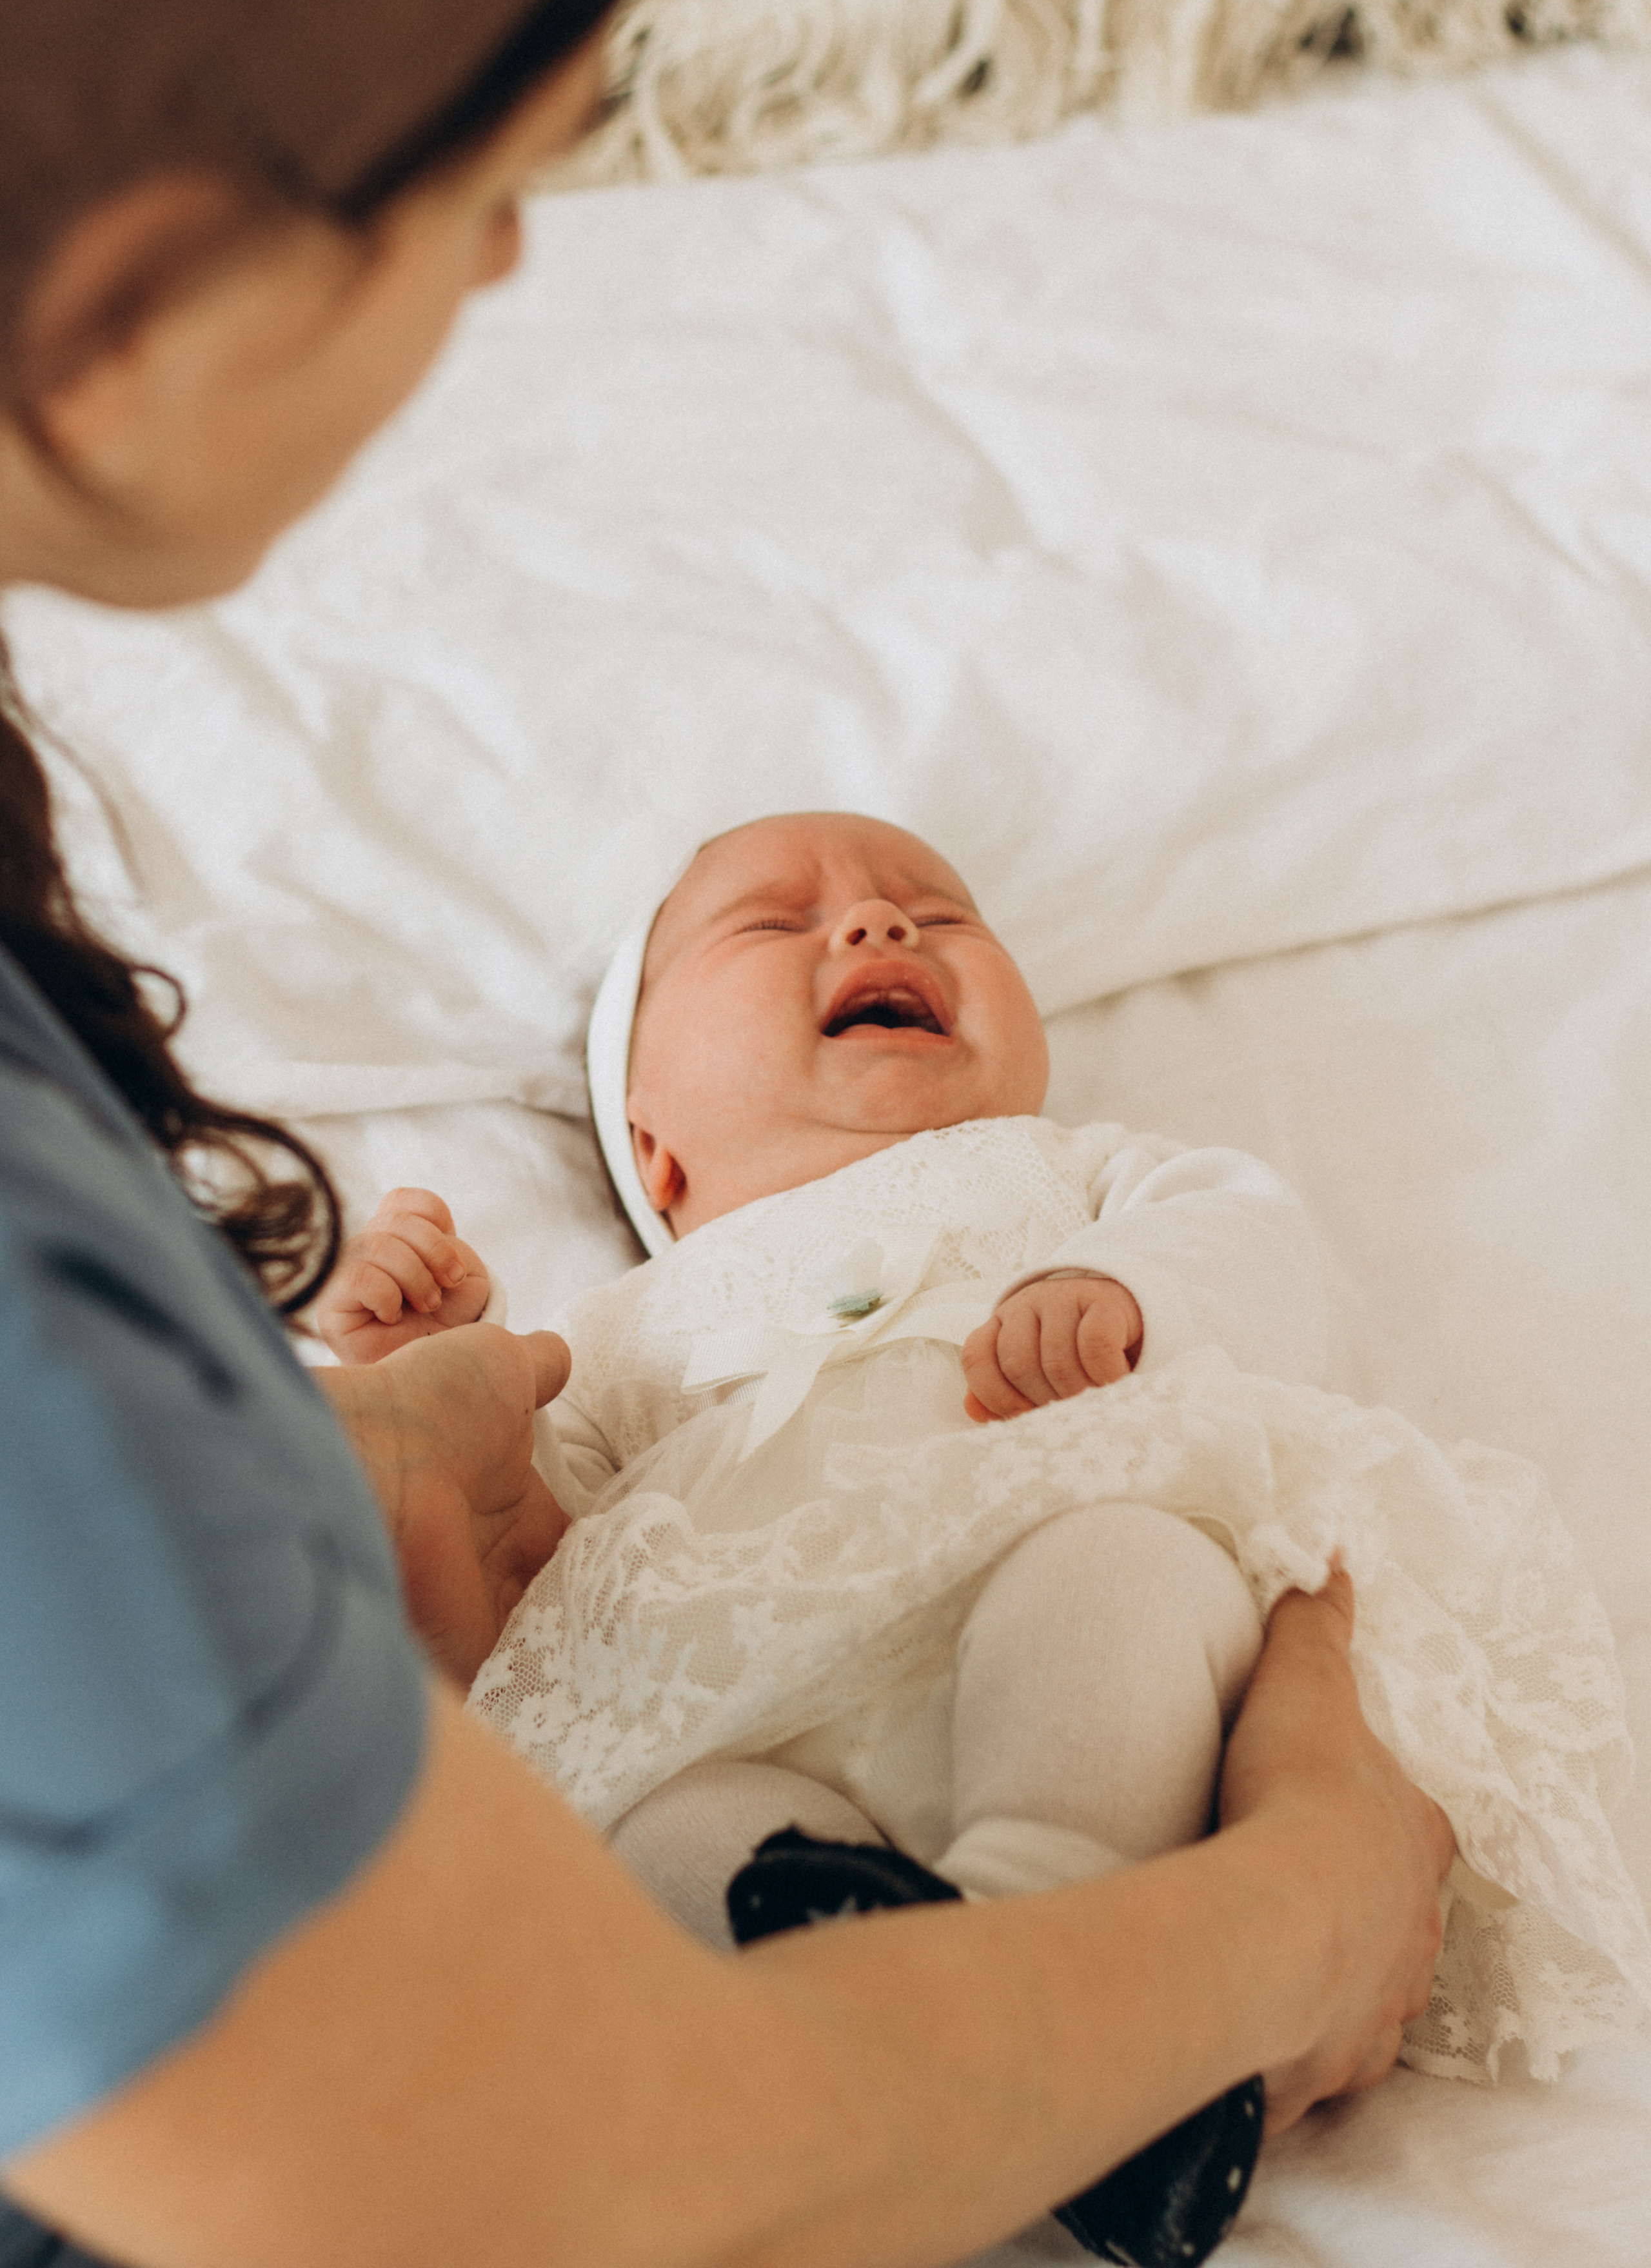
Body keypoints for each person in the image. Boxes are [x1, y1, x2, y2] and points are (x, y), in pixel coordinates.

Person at [0, 0, 1455, 2268]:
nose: (514, 252)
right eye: (473, 189)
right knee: (663, 1817)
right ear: (131, 308)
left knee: (1106, 1592)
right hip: (714, 1838)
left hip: (1018, 1555)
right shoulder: (126, 1349)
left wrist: (357, 1456)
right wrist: (1308, 1902)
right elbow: (590, 2173)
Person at [320, 810, 1649, 2260]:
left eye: (938, 911)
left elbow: (1251, 1251)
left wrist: (1122, 1292)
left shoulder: (1070, 1175)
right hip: (756, 1724)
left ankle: (1045, 1910)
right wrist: (445, 1387)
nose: (878, 925)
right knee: (646, 1828)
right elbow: (537, 1587)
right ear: (655, 1145)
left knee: (1120, 1572)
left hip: (1070, 1616)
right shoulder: (613, 1332)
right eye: (772, 923)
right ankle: (962, 2029)